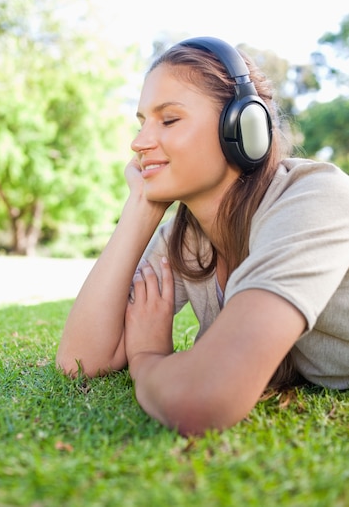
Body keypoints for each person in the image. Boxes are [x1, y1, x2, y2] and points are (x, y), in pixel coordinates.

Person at [56, 36, 349, 436]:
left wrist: (146, 359)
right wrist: (140, 208)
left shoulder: (315, 199)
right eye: (142, 122)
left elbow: (205, 397)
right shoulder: (186, 240)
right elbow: (80, 360)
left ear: (243, 128)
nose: (138, 143)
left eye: (169, 119)